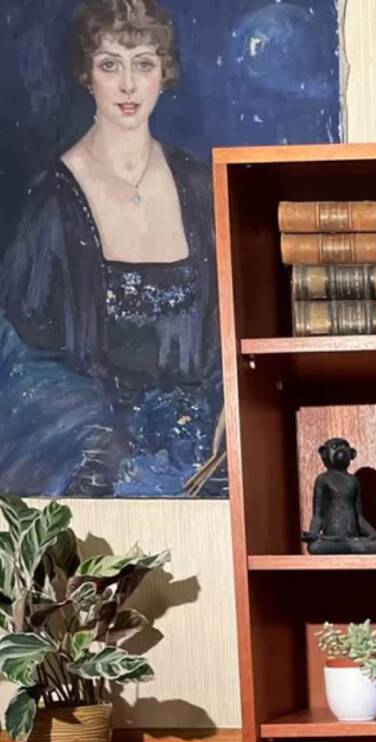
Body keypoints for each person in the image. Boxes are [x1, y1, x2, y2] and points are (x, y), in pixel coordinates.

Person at [0, 0, 223, 496]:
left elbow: (230, 333)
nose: (127, 86)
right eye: (109, 65)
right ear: (87, 75)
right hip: (97, 458)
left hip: (200, 449)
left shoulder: (199, 187)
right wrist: (104, 443)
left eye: (142, 64)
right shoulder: (54, 202)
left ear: (163, 74)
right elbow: (27, 364)